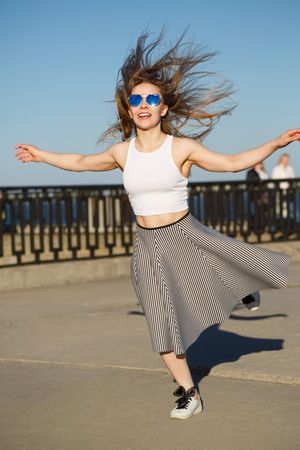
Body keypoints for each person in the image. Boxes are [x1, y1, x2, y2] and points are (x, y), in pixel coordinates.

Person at [14, 29, 298, 420]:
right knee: (160, 318)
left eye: (152, 99)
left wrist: (275, 143)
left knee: (224, 266)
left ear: (163, 108)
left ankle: (242, 285)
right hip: (147, 243)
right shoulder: (121, 152)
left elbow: (232, 163)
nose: (144, 104)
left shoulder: (181, 147)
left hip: (185, 233)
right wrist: (42, 154)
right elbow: (80, 162)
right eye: (136, 99)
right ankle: (188, 392)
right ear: (129, 109)